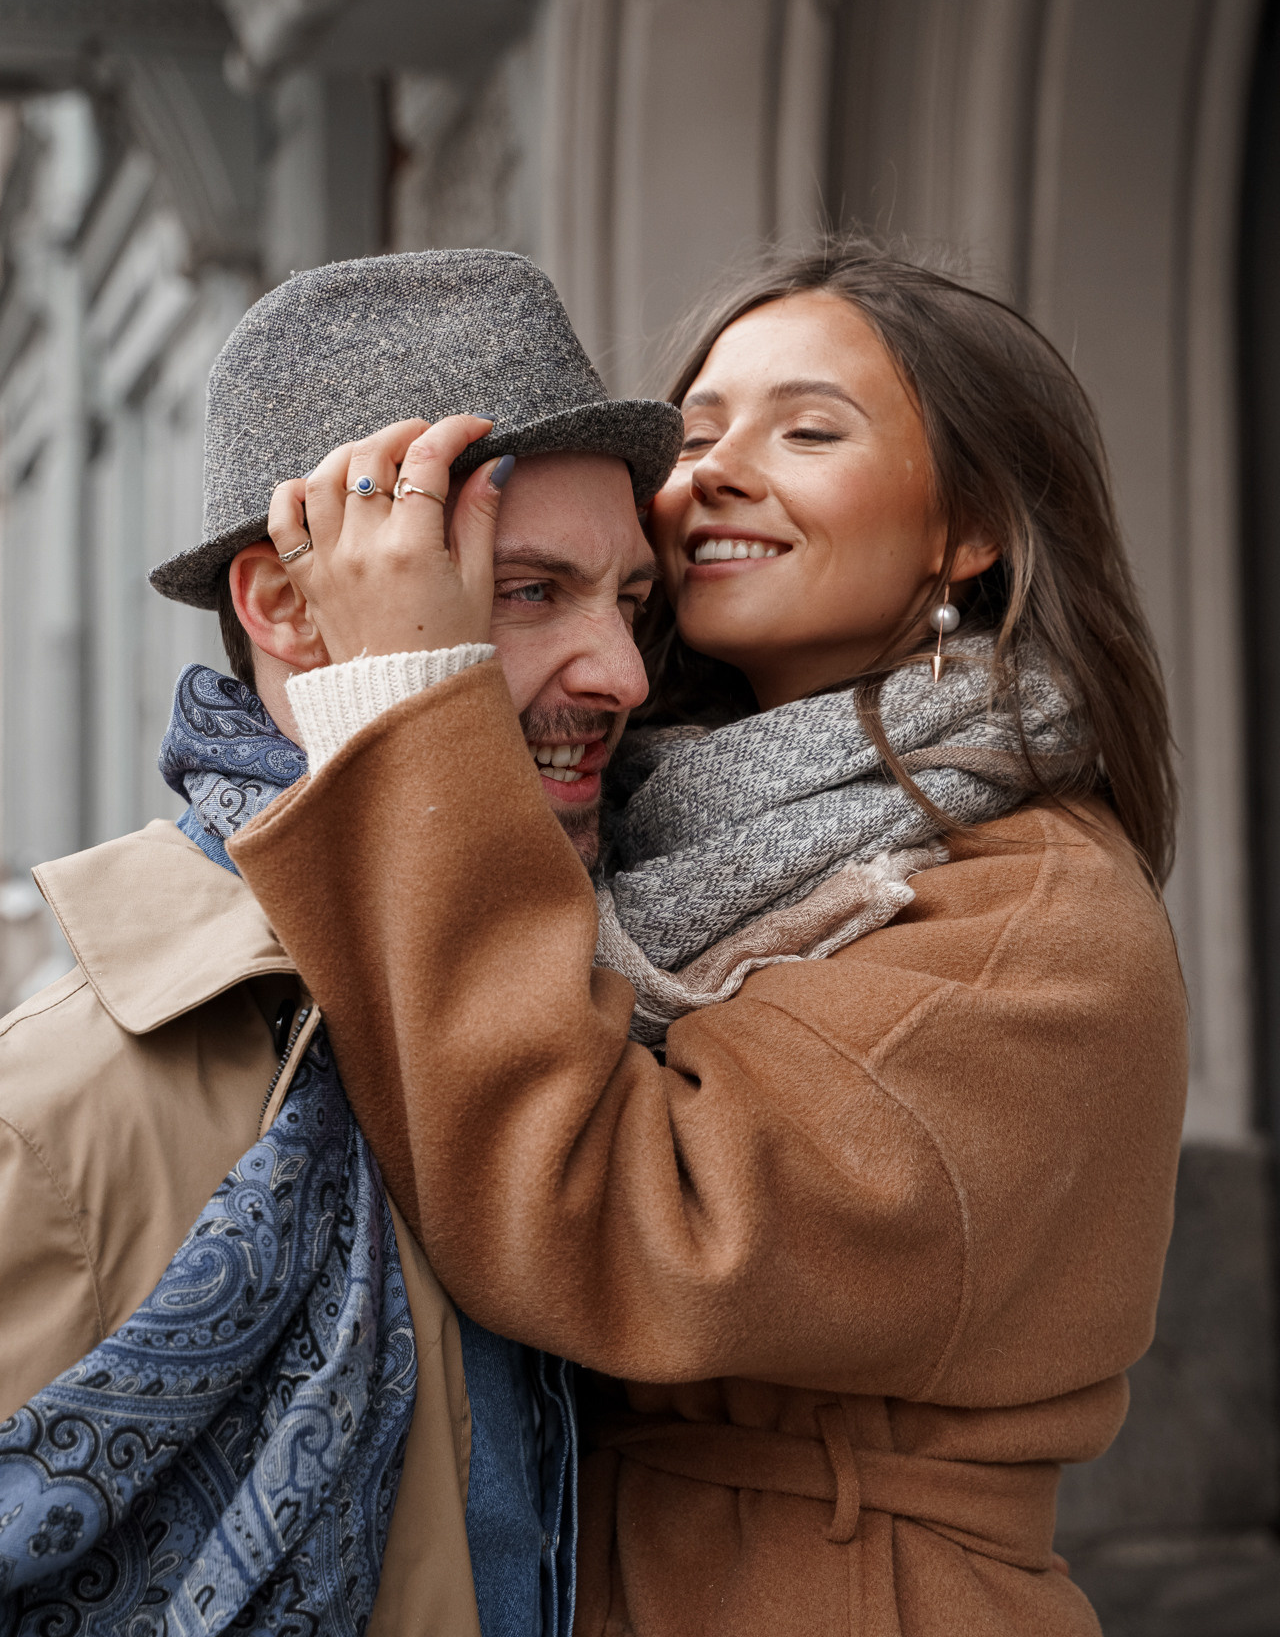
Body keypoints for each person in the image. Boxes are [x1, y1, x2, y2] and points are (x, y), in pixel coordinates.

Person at [230, 239, 1189, 1637]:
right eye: (695, 435)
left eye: (809, 430)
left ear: (968, 528)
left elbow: (611, 1224)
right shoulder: (651, 815)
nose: (714, 473)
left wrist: (414, 702)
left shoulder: (1034, 915)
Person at [0, 248, 682, 1637]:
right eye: (524, 590)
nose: (621, 673)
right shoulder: (60, 1121)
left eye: (630, 601)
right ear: (286, 607)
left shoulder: (637, 993)